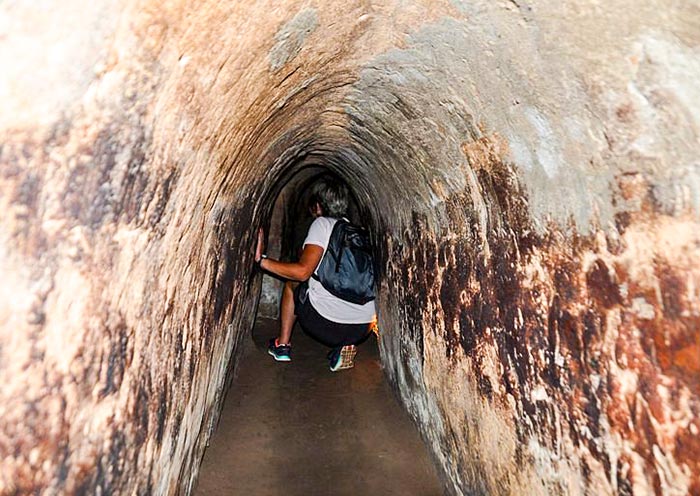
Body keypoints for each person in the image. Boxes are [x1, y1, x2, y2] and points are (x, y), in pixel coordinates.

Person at [254, 177, 376, 371]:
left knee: (291, 284)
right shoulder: (355, 231)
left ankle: (282, 345)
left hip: (328, 324)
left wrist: (263, 261)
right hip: (363, 327)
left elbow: (302, 272)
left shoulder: (322, 224)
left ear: (318, 206)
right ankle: (342, 347)